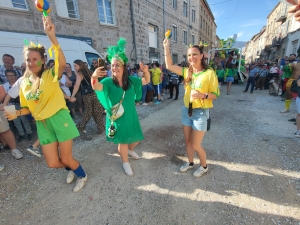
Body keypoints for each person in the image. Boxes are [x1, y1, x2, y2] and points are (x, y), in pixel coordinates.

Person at [5, 16, 87, 192]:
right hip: (42, 123)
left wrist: (52, 38)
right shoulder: (24, 82)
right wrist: (17, 113)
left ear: (43, 59)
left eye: (35, 59)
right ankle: (71, 167)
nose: (31, 62)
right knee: (52, 162)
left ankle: (82, 174)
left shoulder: (50, 75)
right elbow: (28, 107)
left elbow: (62, 63)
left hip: (59, 118)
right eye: (28, 59)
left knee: (65, 157)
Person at [91, 38, 150, 176]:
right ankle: (125, 162)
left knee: (136, 138)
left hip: (131, 115)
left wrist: (146, 71)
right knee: (122, 140)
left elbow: (146, 80)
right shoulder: (107, 82)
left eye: (117, 65)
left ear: (124, 67)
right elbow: (96, 86)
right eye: (112, 65)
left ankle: (129, 150)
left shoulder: (131, 81)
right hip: (117, 117)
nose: (114, 68)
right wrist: (94, 75)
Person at [163, 38, 219, 178]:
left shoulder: (209, 73)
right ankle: (190, 163)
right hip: (186, 110)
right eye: (189, 55)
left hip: (201, 112)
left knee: (195, 144)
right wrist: (166, 48)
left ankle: (204, 166)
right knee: (187, 141)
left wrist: (202, 95)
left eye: (194, 54)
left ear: (201, 55)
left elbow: (215, 94)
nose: (191, 57)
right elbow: (169, 65)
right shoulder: (187, 72)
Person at [73, 59, 105, 135]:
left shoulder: (79, 73)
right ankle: (101, 128)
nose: (74, 68)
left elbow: (77, 85)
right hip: (95, 93)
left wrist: (72, 95)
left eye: (75, 66)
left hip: (87, 95)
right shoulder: (90, 71)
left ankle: (81, 126)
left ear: (80, 65)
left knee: (88, 111)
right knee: (97, 111)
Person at [3, 70, 33, 142]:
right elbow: (5, 95)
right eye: (9, 76)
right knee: (16, 121)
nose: (11, 77)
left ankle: (29, 133)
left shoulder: (21, 82)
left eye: (12, 75)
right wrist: (4, 104)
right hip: (10, 105)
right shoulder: (5, 85)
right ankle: (21, 134)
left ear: (15, 76)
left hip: (21, 104)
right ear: (6, 77)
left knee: (24, 119)